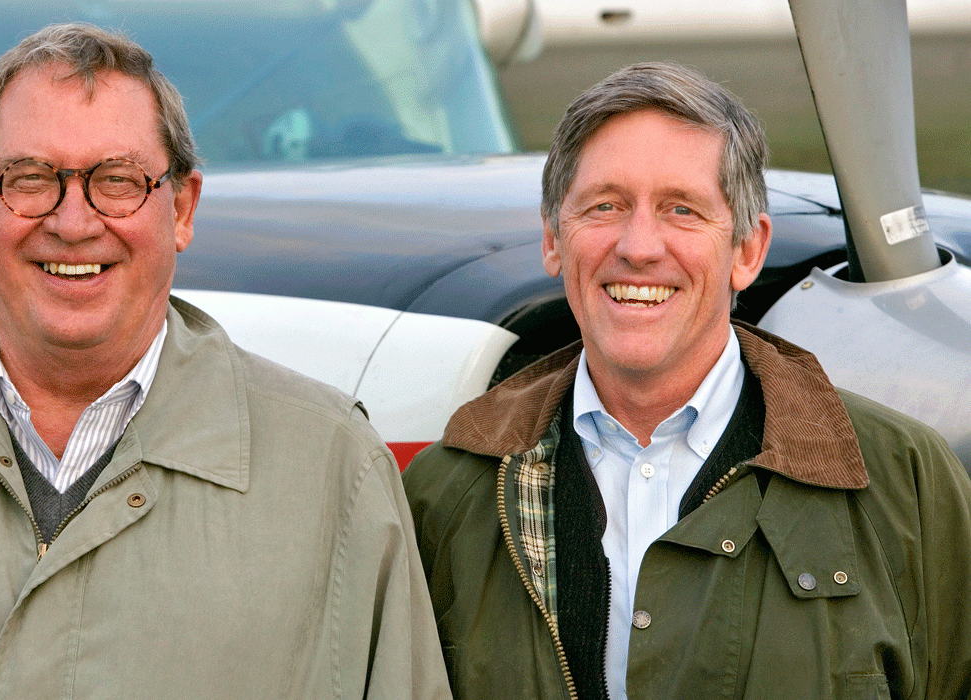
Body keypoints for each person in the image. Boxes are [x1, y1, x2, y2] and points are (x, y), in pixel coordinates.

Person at [0, 23, 450, 699]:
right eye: (31, 178)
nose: (73, 222)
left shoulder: (335, 468)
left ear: (182, 208)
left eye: (118, 180)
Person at [402, 62, 971, 699]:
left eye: (682, 210)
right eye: (604, 206)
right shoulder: (446, 496)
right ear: (553, 240)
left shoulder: (908, 484)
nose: (640, 246)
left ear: (748, 252)